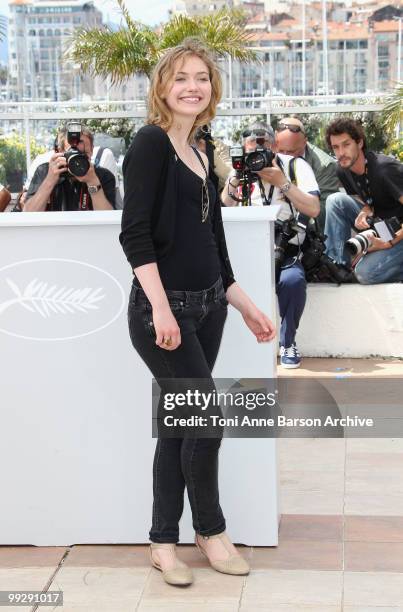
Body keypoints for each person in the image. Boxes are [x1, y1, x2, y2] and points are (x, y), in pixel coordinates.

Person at [119, 38, 276, 587]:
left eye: (202, 78)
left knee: (181, 426)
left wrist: (247, 303)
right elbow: (135, 235)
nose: (193, 86)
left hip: (210, 306)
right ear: (163, 87)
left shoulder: (201, 149)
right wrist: (160, 309)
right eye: (181, 77)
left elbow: (214, 243)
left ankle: (163, 542)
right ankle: (211, 531)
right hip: (164, 314)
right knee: (204, 421)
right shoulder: (150, 143)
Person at [221, 124, 320, 368]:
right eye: (252, 147)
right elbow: (223, 210)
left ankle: (287, 342)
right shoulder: (241, 172)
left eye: (264, 145)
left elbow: (314, 208)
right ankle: (233, 348)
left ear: (274, 146)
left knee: (292, 282)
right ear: (244, 149)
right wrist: (234, 182)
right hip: (247, 251)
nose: (258, 153)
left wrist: (283, 182)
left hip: (286, 249)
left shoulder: (294, 166)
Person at [325, 118, 403, 284]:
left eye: (346, 145)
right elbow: (369, 194)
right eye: (335, 147)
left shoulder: (385, 169)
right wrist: (366, 209)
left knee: (365, 274)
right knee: (335, 200)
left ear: (359, 143)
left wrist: (389, 243)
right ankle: (337, 267)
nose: (341, 153)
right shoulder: (343, 169)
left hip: (399, 234)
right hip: (383, 226)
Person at [24, 125, 116, 211]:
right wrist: (50, 180)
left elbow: (108, 217)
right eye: (73, 154)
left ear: (92, 150)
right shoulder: (45, 171)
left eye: (83, 155)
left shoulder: (103, 176)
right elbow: (28, 214)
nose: (77, 161)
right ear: (60, 152)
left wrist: (93, 182)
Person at [275, 116, 340, 231]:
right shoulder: (269, 157)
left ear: (304, 142)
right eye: (280, 151)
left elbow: (325, 212)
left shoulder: (324, 166)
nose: (284, 156)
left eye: (291, 151)